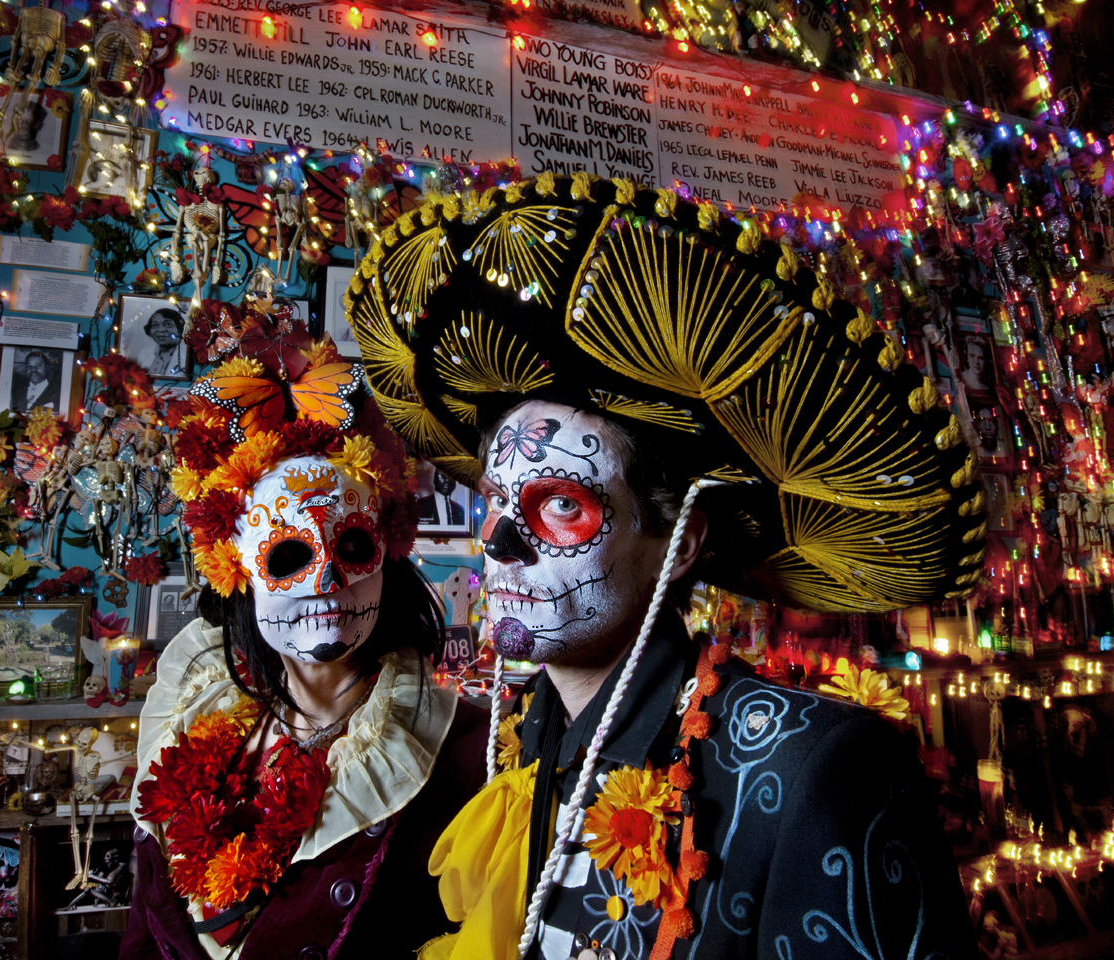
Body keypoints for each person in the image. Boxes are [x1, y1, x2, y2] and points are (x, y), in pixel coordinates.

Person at [344, 174, 981, 958]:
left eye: (561, 506)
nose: (498, 544)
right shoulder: (513, 739)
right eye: (494, 502)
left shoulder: (817, 765)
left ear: (677, 544)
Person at [121, 317, 489, 959]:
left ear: (389, 555)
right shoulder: (191, 721)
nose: (325, 579)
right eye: (288, 555)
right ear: (235, 569)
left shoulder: (462, 753)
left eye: (351, 545)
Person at [135, 308, 189, 378]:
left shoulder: (187, 355)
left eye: (168, 324)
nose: (160, 330)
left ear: (179, 329)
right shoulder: (143, 354)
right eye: (155, 325)